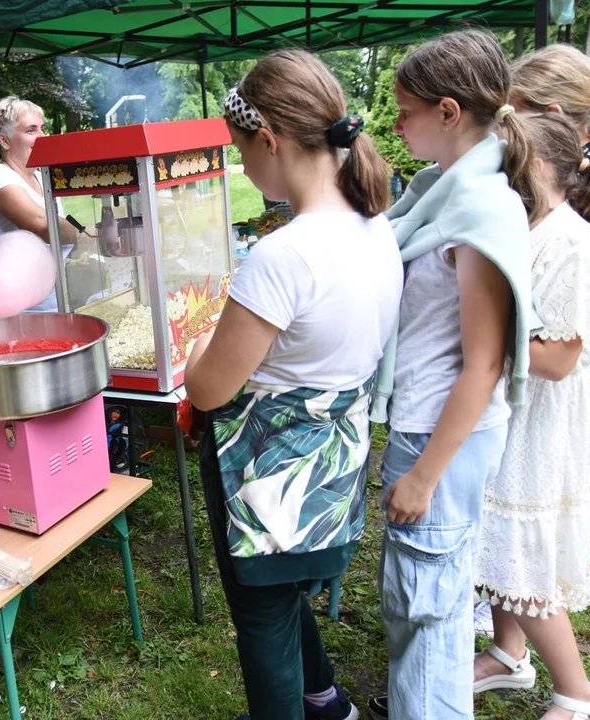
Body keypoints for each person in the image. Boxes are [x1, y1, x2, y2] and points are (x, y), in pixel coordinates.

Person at [186, 49, 403, 720]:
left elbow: (209, 390)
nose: (242, 167)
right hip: (332, 473)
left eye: (241, 151)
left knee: (263, 622)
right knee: (284, 597)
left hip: (268, 478)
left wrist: (196, 345)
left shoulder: (282, 256)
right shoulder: (376, 230)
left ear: (271, 140)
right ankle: (325, 698)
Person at [366, 30, 545, 720]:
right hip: (430, 430)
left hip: (441, 440)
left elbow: (486, 363)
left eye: (404, 109)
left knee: (430, 620)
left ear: (447, 112)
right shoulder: (441, 192)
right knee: (420, 608)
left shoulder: (477, 213)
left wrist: (423, 475)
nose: (395, 122)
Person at [473, 112, 590, 720]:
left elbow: (559, 360)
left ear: (529, 167)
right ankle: (509, 655)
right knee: (496, 538)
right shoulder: (525, 225)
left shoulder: (573, 242)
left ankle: (579, 695)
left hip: (544, 416)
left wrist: (478, 337)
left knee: (523, 548)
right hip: (513, 404)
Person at [509, 46, 590, 564]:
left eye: (511, 112)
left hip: (556, 351)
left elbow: (559, 351)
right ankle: (509, 634)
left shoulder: (566, 195)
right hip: (542, 353)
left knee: (535, 515)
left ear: (548, 117)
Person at [0, 96, 77, 313]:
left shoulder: (42, 176)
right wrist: (93, 236)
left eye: (43, 128)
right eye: (31, 130)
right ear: (4, 141)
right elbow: (43, 225)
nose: (42, 137)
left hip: (39, 305)